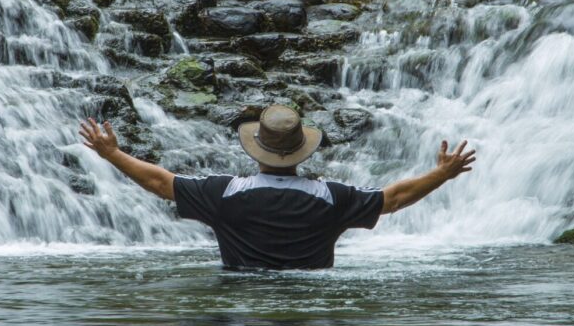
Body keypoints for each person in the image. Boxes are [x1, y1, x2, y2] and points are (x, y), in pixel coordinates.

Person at [79, 104, 476, 269]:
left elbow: (160, 182)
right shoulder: (332, 198)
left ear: (256, 149)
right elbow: (392, 200)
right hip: (313, 305)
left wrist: (112, 153)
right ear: (302, 151)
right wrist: (441, 173)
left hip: (240, 304)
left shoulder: (224, 194)